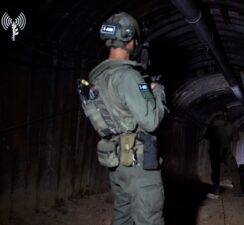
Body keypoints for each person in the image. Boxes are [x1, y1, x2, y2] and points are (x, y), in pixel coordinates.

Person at [88, 12, 166, 225]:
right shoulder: (128, 76)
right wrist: (158, 92)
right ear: (131, 40)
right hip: (138, 161)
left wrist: (143, 88)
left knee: (123, 215)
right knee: (149, 217)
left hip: (117, 160)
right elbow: (150, 121)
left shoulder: (98, 77)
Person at [204, 113, 241, 197]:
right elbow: (236, 139)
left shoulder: (211, 126)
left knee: (215, 171)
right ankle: (237, 191)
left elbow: (207, 137)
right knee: (234, 170)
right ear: (226, 118)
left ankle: (216, 189)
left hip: (214, 152)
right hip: (226, 152)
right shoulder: (231, 126)